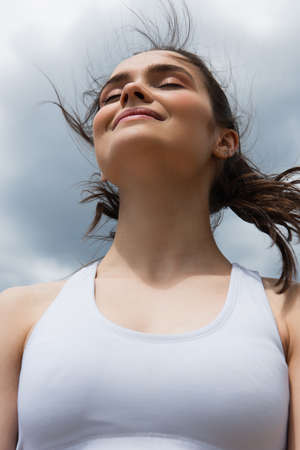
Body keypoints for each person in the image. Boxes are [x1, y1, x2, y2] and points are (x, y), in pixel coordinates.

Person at [1, 1, 300, 449]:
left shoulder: (287, 314)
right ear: (102, 157)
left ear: (224, 140)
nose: (131, 93)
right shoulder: (18, 314)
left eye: (168, 82)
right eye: (110, 95)